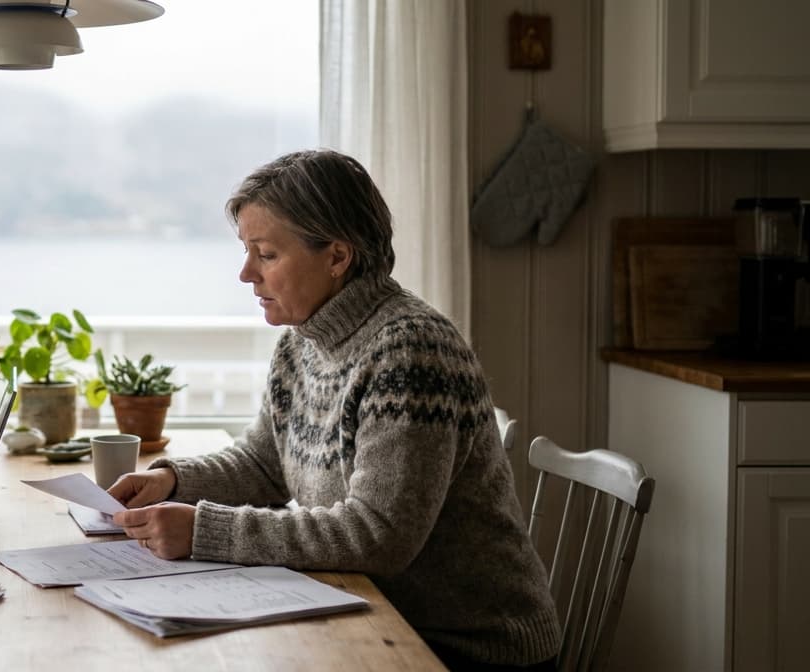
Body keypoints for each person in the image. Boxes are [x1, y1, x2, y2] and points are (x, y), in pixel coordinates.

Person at [107, 150, 561, 671]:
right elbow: (263, 464)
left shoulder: (410, 351)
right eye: (247, 251)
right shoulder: (302, 344)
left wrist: (204, 530)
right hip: (374, 617)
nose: (246, 274)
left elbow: (378, 536)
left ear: (337, 257)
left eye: (266, 254)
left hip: (467, 646)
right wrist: (172, 481)